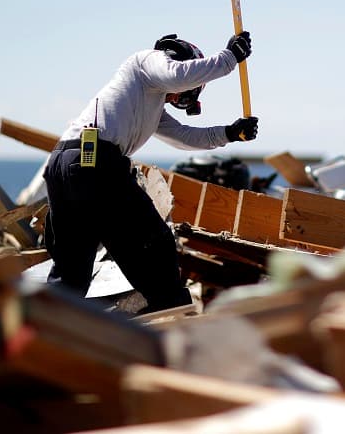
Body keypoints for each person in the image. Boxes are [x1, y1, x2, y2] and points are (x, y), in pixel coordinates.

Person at [42, 31, 258, 312]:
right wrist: (229, 58)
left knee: (71, 268)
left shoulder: (148, 98)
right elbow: (178, 75)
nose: (180, 96)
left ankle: (41, 332)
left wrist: (229, 133)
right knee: (152, 244)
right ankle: (171, 312)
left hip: (66, 162)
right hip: (94, 162)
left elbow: (183, 136)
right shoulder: (146, 61)